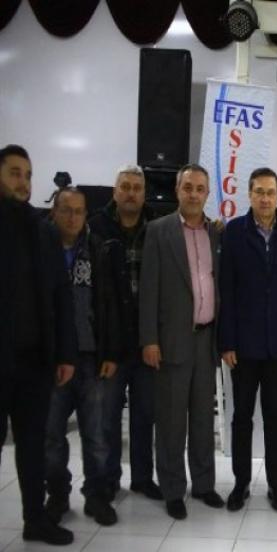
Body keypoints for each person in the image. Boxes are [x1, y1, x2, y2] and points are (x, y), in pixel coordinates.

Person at [0, 144, 76, 545]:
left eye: (28, 175)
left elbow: (61, 297)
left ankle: (35, 519)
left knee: (32, 445)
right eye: (14, 173)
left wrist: (65, 354)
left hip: (34, 360)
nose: (23, 182)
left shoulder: (43, 230)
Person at [139, 163, 224, 520]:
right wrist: (149, 339)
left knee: (203, 419)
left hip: (207, 340)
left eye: (200, 188)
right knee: (172, 421)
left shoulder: (216, 233)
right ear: (177, 191)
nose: (193, 194)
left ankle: (203, 484)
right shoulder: (158, 231)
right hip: (171, 340)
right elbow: (148, 289)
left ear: (207, 193)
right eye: (188, 187)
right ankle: (173, 489)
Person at [219, 168, 277, 512]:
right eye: (259, 192)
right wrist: (227, 341)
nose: (265, 198)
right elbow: (226, 289)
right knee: (242, 418)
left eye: (270, 192)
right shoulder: (234, 232)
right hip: (243, 345)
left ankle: (276, 485)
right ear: (249, 195)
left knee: (274, 418)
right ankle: (240, 484)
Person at [44, 187, 122, 527]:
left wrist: (111, 352)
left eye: (79, 211)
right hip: (51, 360)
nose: (73, 217)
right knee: (51, 435)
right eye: (66, 210)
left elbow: (110, 304)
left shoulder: (98, 250)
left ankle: (96, 495)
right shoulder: (41, 250)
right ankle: (58, 494)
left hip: (91, 357)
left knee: (96, 434)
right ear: (54, 212)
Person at [88, 164, 161, 501]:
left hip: (146, 339)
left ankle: (143, 478)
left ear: (144, 194)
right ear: (115, 191)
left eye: (137, 187)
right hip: (111, 341)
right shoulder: (96, 227)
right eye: (125, 186)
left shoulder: (157, 226)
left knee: (144, 416)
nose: (131, 193)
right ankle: (108, 479)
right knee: (107, 417)